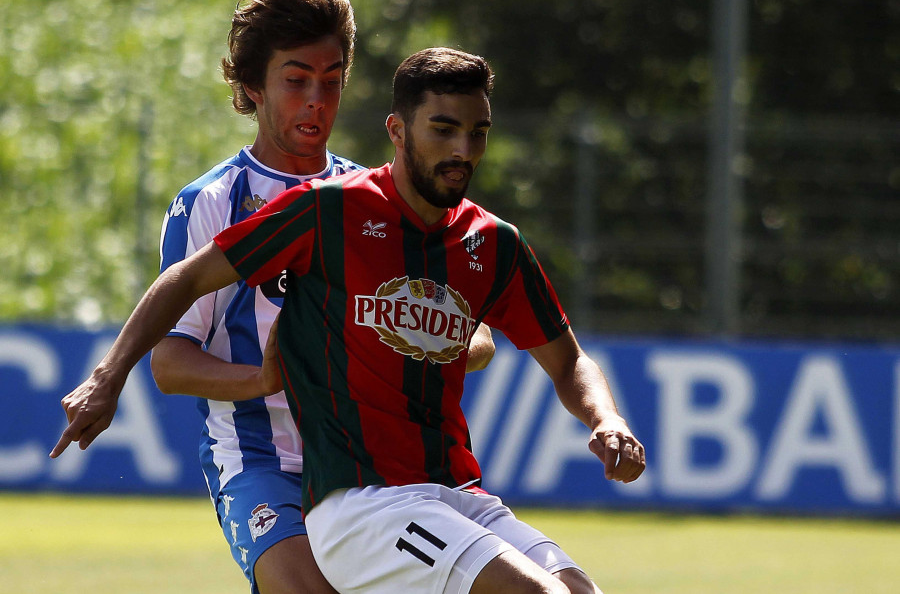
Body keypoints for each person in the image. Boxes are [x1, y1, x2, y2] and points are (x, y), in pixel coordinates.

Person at [53, 47, 645, 594]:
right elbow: (186, 277)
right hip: (363, 508)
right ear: (396, 129)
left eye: (477, 132)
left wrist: (607, 417)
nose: (463, 151)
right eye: (443, 130)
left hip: (458, 493)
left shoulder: (494, 243)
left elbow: (566, 360)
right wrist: (107, 378)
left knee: (578, 591)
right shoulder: (326, 211)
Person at [49, 0, 495, 594]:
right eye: (296, 79)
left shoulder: (378, 201)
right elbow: (172, 365)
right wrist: (264, 378)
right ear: (252, 87)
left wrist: (415, 340)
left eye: (332, 79)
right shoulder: (212, 202)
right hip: (260, 462)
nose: (317, 98)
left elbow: (475, 337)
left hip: (365, 462)